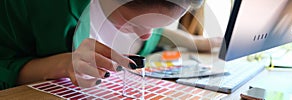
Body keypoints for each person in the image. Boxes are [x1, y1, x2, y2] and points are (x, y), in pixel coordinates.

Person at [0, 0, 220, 90]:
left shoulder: (151, 12)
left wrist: (193, 43)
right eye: (133, 24)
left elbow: (155, 33)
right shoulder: (29, 7)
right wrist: (64, 64)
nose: (146, 36)